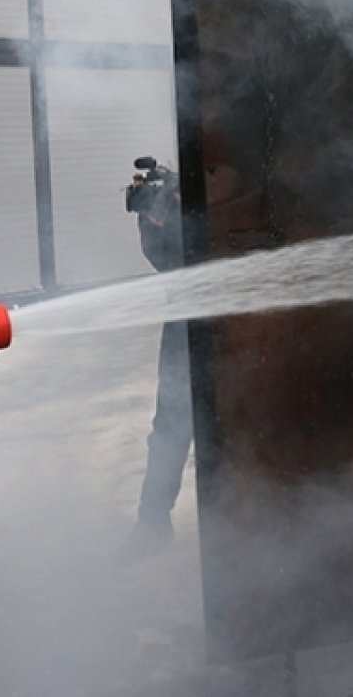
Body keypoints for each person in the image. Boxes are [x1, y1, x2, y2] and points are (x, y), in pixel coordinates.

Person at [120, 157, 192, 559]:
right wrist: (152, 218)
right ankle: (152, 523)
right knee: (170, 425)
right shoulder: (179, 200)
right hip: (184, 326)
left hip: (239, 331)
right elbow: (167, 261)